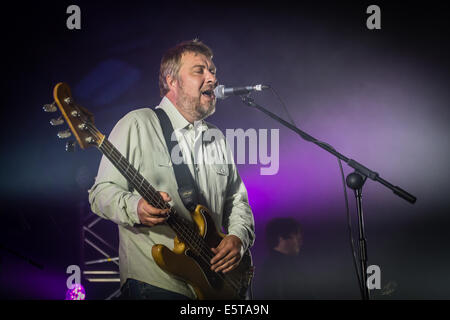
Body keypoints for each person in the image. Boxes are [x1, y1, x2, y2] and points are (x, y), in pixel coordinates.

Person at [88, 40, 255, 300]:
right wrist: (136, 208)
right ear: (172, 81)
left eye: (213, 71)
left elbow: (236, 201)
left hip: (216, 284)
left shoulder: (217, 138)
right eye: (199, 70)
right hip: (156, 282)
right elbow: (100, 193)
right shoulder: (138, 123)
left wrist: (238, 237)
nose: (212, 77)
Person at [257, 217, 313, 299]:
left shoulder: (274, 265)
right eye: (296, 237)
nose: (300, 242)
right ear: (281, 238)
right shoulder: (274, 267)